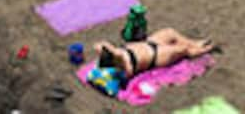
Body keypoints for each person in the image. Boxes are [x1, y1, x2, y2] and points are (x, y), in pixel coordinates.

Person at [89, 30, 218, 83]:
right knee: (183, 50)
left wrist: (109, 50)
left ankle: (195, 42)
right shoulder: (126, 66)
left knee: (170, 32)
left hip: (150, 43)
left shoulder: (117, 53)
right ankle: (205, 48)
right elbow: (126, 76)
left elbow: (98, 45)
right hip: (157, 56)